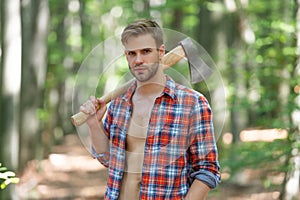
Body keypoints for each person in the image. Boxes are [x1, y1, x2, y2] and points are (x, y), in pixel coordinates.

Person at [80, 19, 221, 200]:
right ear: (126, 56)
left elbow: (207, 169)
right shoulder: (118, 103)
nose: (138, 60)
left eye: (146, 51)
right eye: (132, 53)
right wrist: (93, 123)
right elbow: (107, 158)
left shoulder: (192, 104)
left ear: (161, 52)